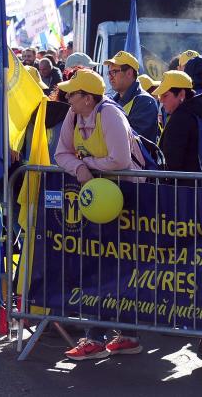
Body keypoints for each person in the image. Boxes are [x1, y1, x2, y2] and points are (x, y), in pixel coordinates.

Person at [54, 70, 145, 360]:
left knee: (119, 266)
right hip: (99, 195)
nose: (68, 97)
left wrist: (88, 163)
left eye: (74, 94)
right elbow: (61, 153)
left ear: (89, 98)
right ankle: (102, 335)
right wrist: (81, 169)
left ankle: (117, 335)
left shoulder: (111, 115)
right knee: (99, 263)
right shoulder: (73, 115)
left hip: (129, 197)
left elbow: (120, 160)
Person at [153, 70, 202, 175]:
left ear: (181, 94)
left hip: (184, 188)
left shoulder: (181, 118)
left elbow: (171, 162)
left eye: (165, 95)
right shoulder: (200, 112)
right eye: (160, 97)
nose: (161, 100)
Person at [104, 51, 160, 143]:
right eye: (109, 73)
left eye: (114, 72)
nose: (110, 77)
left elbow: (133, 140)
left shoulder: (145, 102)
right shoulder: (112, 101)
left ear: (129, 73)